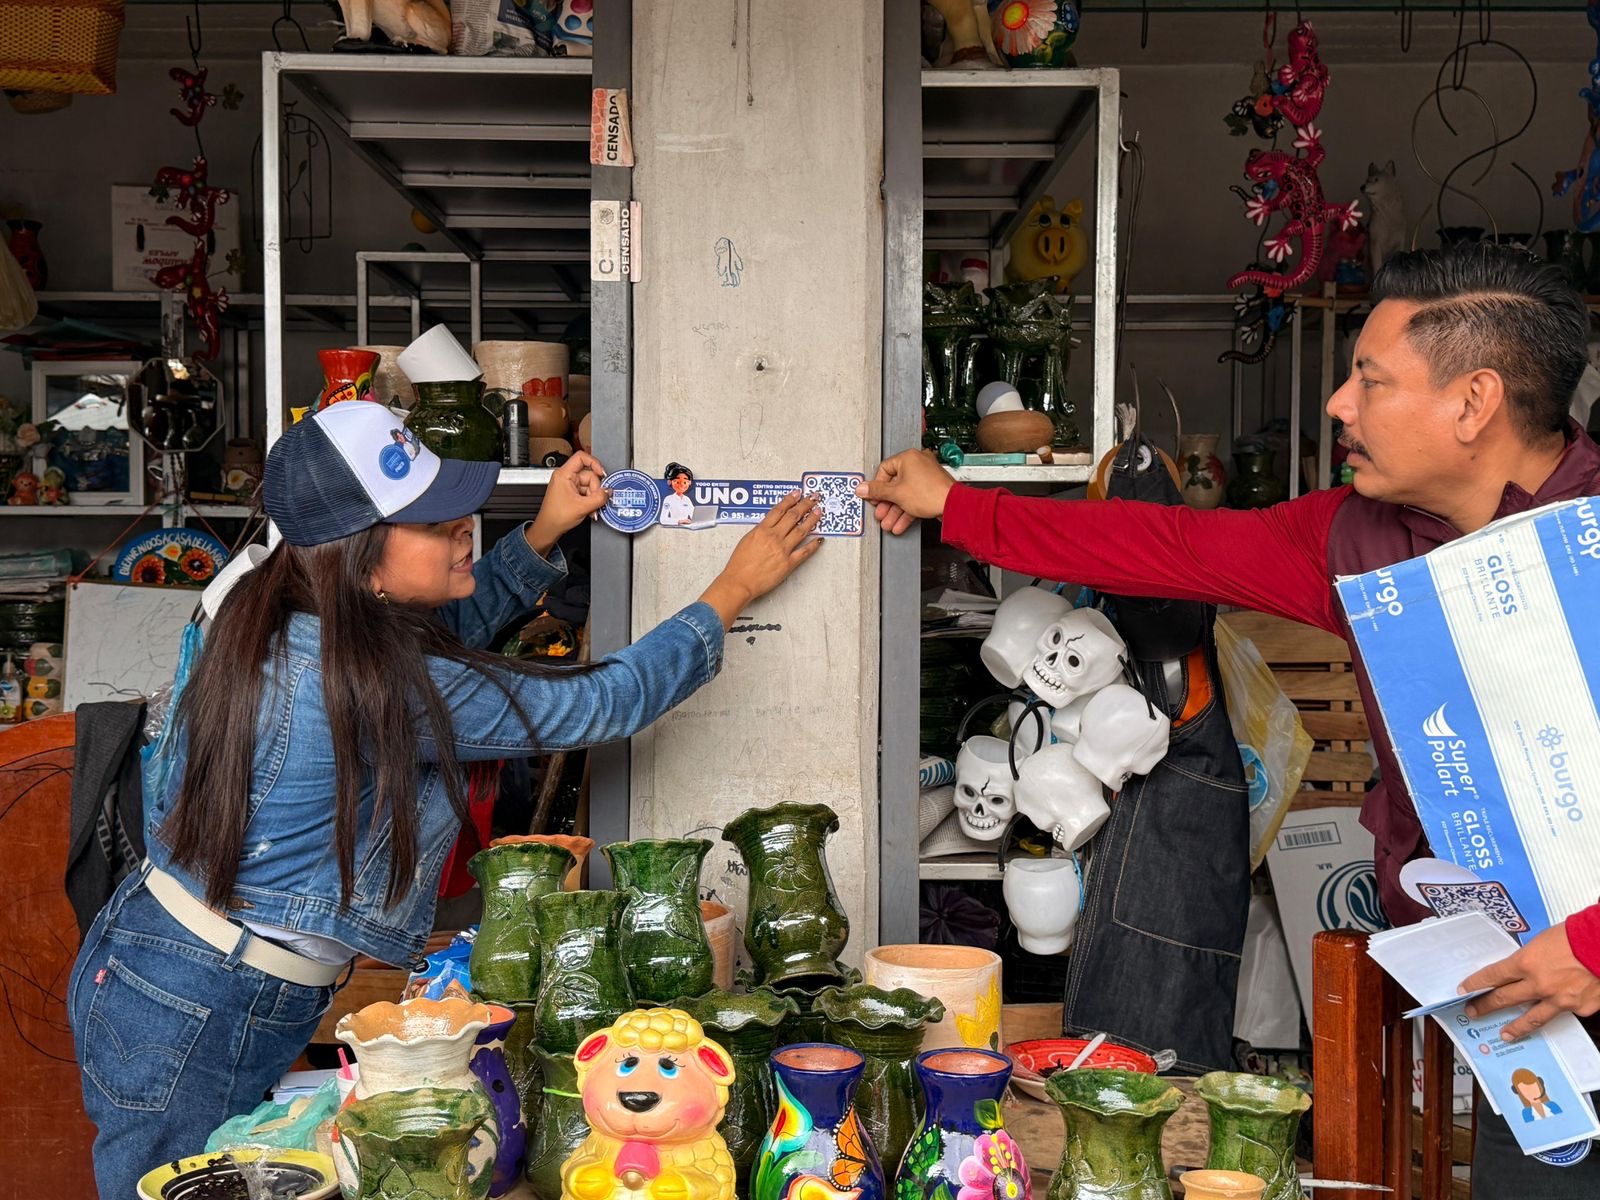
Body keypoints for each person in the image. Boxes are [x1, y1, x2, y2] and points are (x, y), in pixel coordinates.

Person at [859, 244, 1600, 1196]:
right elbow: (1165, 546)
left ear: (1474, 401)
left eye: (1371, 380)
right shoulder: (1359, 538)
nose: (1340, 403)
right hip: (1521, 999)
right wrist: (958, 506)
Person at [68, 401, 823, 1197]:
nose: (464, 527)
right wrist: (732, 589)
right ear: (361, 560)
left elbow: (444, 629)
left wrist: (540, 534)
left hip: (179, 973)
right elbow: (597, 703)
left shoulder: (279, 603)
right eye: (434, 523)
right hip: (198, 1005)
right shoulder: (367, 684)